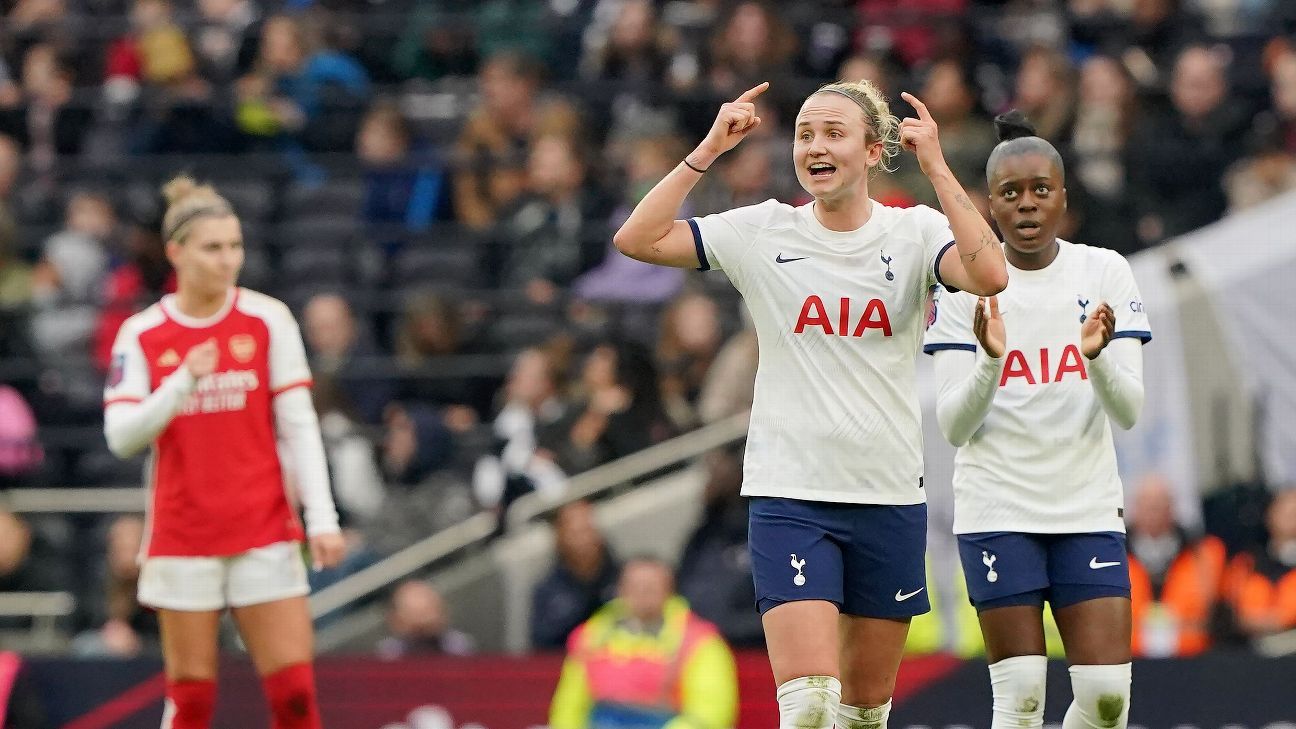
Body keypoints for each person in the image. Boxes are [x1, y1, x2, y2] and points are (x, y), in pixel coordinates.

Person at [612, 77, 1008, 728]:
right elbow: (638, 238)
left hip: (888, 497)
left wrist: (936, 165)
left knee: (862, 713)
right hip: (792, 496)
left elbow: (990, 274)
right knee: (809, 706)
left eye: (832, 133)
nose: (814, 147)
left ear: (876, 151)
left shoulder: (914, 232)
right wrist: (708, 149)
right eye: (803, 134)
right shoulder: (765, 231)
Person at [923, 111, 1151, 728]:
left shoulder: (1104, 271)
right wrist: (991, 362)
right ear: (990, 205)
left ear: (1063, 198)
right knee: (1021, 700)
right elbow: (953, 427)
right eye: (1010, 194)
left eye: (1040, 190)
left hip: (1085, 510)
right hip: (998, 512)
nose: (1026, 205)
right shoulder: (963, 287)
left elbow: (1127, 410)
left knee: (1107, 701)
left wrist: (1097, 359)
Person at [103, 175, 345, 729]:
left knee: (295, 698)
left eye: (235, 246)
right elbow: (121, 436)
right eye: (213, 247)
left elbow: (300, 426)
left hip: (262, 527)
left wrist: (322, 517)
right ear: (176, 253)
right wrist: (182, 383)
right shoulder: (143, 334)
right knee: (190, 704)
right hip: (184, 535)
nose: (228, 259)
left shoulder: (267, 319)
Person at [549, 557, 738, 729]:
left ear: (669, 590)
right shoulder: (592, 636)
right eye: (635, 586)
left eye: (651, 587)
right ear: (620, 590)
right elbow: (568, 706)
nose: (643, 594)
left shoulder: (700, 641)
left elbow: (709, 714)